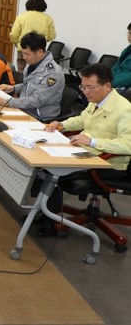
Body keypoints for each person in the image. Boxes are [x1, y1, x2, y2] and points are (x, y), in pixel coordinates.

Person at [38, 64, 131, 236]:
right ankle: (45, 213)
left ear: (107, 86)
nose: (85, 92)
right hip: (87, 154)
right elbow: (82, 120)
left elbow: (128, 145)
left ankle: (51, 222)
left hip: (108, 163)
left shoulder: (124, 109)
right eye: (83, 87)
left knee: (54, 171)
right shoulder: (96, 101)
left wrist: (92, 141)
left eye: (90, 87)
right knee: (43, 164)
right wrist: (62, 125)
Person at [0, 32, 64, 122]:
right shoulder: (32, 63)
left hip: (40, 117)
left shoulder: (53, 73)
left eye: (27, 54)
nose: (24, 57)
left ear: (40, 52)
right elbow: (28, 85)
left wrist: (7, 102)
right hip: (25, 109)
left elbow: (37, 100)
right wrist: (13, 88)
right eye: (23, 53)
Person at [10, 0, 56, 70]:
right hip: (39, 51)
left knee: (21, 71)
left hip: (23, 49)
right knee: (38, 71)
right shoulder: (48, 19)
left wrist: (18, 44)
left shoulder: (21, 17)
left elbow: (14, 35)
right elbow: (52, 36)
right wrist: (42, 40)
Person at [111, 22, 131, 91]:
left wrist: (112, 83)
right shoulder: (127, 50)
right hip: (115, 82)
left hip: (126, 88)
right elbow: (116, 67)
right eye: (129, 33)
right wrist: (107, 79)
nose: (129, 36)